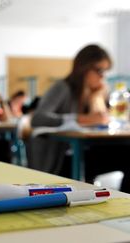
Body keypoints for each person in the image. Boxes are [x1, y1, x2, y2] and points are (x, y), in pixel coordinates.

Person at [29, 44, 129, 188]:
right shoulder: (62, 87)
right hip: (63, 159)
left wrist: (96, 98)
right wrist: (84, 119)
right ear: (84, 68)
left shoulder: (94, 92)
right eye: (99, 70)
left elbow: (103, 120)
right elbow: (37, 118)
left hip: (85, 151)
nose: (103, 76)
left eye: (105, 72)